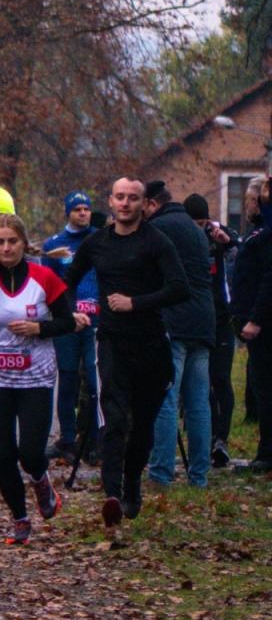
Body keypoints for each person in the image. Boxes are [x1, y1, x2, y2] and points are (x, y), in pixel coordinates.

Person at [61, 177, 188, 538]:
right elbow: (68, 279)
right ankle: (113, 496)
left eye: (133, 198)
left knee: (143, 424)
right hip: (112, 342)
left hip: (150, 344)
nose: (126, 203)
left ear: (145, 204)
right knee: (114, 419)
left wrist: (136, 303)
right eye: (120, 197)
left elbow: (180, 287)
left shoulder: (156, 242)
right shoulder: (97, 242)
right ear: (111, 201)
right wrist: (70, 313)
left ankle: (133, 482)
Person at [0, 215, 83, 544]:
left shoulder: (43, 278)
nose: (5, 248)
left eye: (11, 241)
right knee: (4, 453)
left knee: (29, 452)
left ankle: (41, 481)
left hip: (35, 377)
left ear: (23, 243)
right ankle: (20, 518)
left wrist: (38, 328)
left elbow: (68, 322)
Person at [142, 181, 215, 489]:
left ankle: (161, 473)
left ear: (151, 204)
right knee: (198, 401)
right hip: (204, 320)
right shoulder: (194, 228)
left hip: (174, 320)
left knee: (166, 396)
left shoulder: (158, 229)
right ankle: (199, 476)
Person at [42, 192, 101, 460]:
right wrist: (67, 313)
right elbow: (50, 285)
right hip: (67, 323)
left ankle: (94, 439)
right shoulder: (55, 245)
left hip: (97, 322)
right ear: (68, 212)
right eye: (77, 209)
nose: (82, 213)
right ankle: (67, 439)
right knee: (67, 380)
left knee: (94, 379)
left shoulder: (100, 240)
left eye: (86, 209)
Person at [185, 193, 237, 468]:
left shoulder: (218, 234)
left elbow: (240, 249)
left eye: (202, 223)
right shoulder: (181, 236)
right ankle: (205, 438)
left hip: (221, 318)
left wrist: (224, 242)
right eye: (194, 223)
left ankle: (221, 439)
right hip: (195, 319)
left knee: (221, 379)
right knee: (199, 383)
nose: (198, 228)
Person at [230, 177, 272, 473]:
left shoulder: (266, 234)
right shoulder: (257, 233)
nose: (245, 204)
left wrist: (255, 319)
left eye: (250, 198)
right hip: (256, 320)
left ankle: (267, 455)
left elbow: (268, 278)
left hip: (265, 325)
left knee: (266, 389)